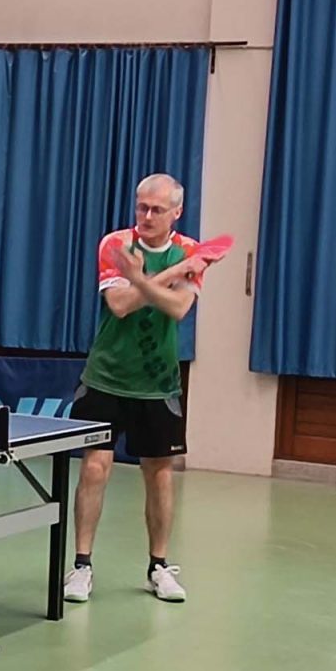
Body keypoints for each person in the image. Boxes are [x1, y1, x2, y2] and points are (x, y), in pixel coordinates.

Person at [65, 173, 211, 605]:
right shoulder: (116, 244)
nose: (146, 216)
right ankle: (81, 566)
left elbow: (179, 308)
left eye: (157, 209)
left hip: (158, 383)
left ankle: (158, 567)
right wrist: (173, 274)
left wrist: (147, 278)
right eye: (141, 207)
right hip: (106, 377)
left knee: (160, 474)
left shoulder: (190, 251)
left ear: (176, 212)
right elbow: (120, 305)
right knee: (95, 468)